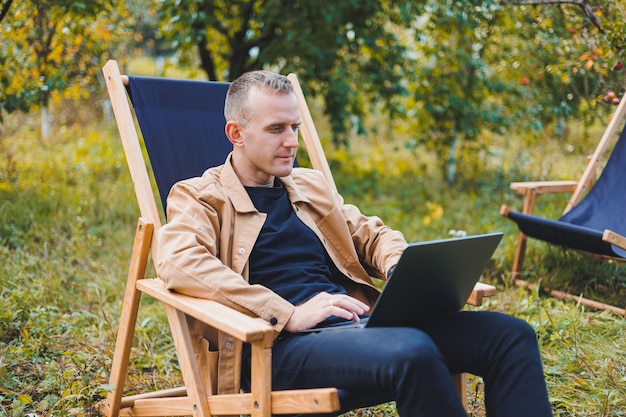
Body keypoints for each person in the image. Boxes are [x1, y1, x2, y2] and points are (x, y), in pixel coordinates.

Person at [156, 70, 553, 416]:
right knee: (410, 349)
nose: (291, 142)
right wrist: (286, 313)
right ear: (236, 134)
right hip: (279, 348)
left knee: (509, 336)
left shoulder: (307, 185)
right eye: (276, 129)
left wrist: (401, 268)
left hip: (356, 328)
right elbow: (178, 262)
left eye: (294, 127)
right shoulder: (200, 196)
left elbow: (370, 233)